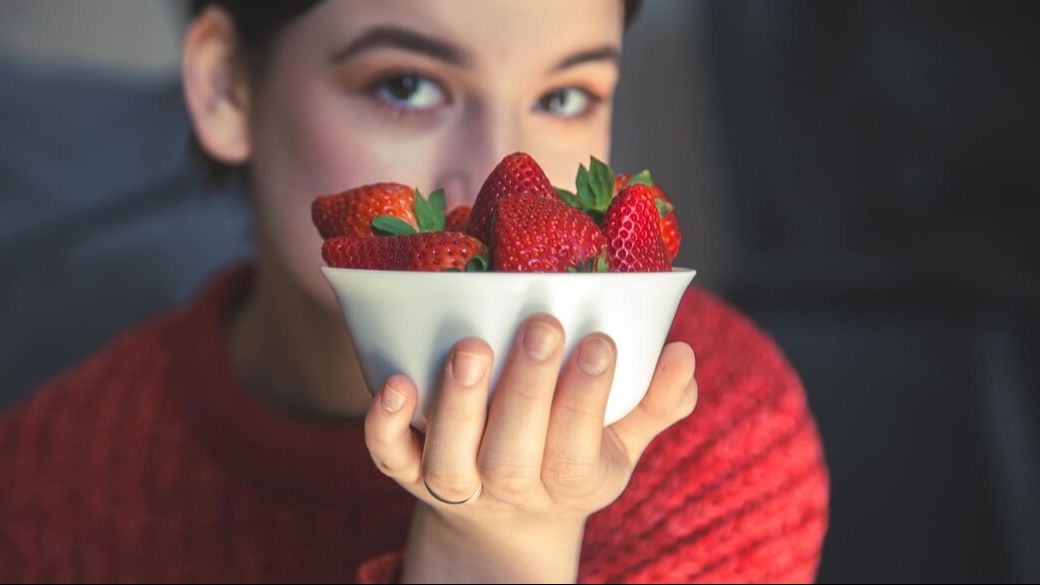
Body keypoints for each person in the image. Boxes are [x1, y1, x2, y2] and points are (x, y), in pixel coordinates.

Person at [0, 1, 829, 582]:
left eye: (565, 96)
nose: (508, 177)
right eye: (407, 86)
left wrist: (503, 546)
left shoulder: (717, 426)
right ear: (227, 86)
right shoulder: (48, 479)